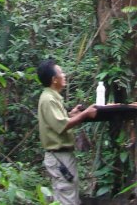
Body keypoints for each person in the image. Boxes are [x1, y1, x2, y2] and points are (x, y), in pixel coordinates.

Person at [37, 59, 97, 205]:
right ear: (54, 79)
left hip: (61, 157)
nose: (64, 75)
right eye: (61, 72)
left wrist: (72, 114)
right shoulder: (49, 99)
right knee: (67, 197)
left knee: (66, 194)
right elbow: (62, 125)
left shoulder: (51, 97)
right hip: (59, 157)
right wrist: (85, 114)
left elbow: (56, 122)